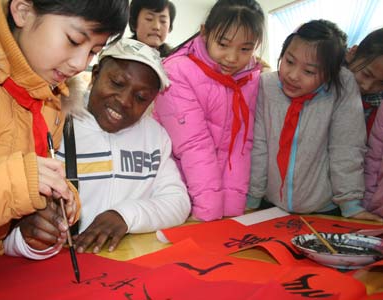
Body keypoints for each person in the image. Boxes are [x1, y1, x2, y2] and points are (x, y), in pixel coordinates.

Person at [0, 0, 128, 268]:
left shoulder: (53, 100)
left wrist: (33, 226)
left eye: (94, 51)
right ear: (23, 11)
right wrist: (18, 183)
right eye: (73, 40)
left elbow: (6, 221)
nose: (80, 63)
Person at [52, 38, 190, 253]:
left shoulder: (155, 136)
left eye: (141, 97)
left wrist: (124, 216)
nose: (125, 101)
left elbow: (178, 203)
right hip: (63, 263)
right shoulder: (57, 122)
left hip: (125, 262)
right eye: (117, 83)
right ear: (95, 75)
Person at [247, 20, 383, 222]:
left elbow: (346, 148)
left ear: (330, 74)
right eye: (289, 61)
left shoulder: (342, 87)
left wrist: (350, 204)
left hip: (324, 209)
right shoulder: (266, 86)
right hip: (271, 205)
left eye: (309, 72)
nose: (292, 76)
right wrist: (252, 199)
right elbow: (259, 145)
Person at [152, 0, 265, 221]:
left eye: (245, 49)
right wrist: (208, 211)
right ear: (205, 33)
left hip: (212, 198)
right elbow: (194, 145)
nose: (232, 58)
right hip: (177, 193)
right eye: (223, 44)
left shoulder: (250, 78)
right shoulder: (177, 72)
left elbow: (241, 146)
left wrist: (233, 210)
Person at [346, 28, 383, 137]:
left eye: (381, 83)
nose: (367, 87)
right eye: (366, 74)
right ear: (352, 53)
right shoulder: (325, 80)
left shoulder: (376, 108)